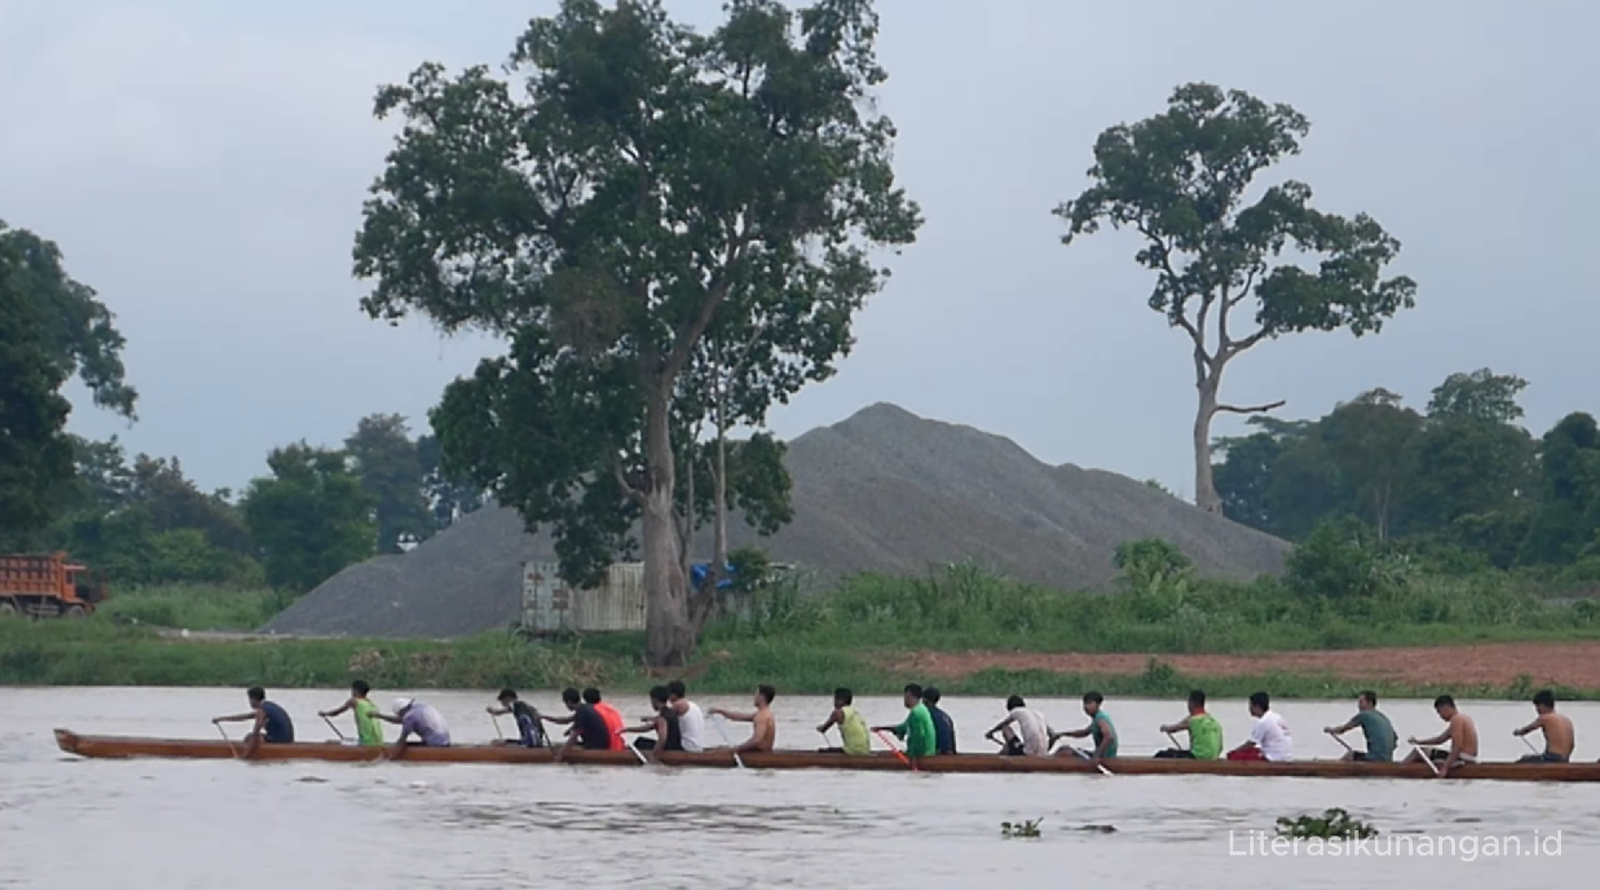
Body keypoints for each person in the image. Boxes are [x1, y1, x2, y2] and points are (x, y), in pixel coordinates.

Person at [1405, 695, 1478, 777]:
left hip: (1463, 759)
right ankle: (1413, 770)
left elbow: (1457, 747)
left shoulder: (1456, 720)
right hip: (1469, 758)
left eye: (1439, 712)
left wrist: (1445, 768)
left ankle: (1399, 770)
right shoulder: (1463, 718)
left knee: (1419, 751)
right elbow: (1440, 739)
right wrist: (1418, 742)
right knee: (1423, 751)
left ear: (1445, 707)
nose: (1440, 716)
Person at [213, 686, 294, 757]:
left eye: (250, 699)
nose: (249, 702)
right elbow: (245, 717)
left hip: (281, 740)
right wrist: (221, 719)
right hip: (287, 739)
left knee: (250, 738)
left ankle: (255, 755)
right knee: (252, 737)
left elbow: (257, 729)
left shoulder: (261, 711)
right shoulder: (266, 706)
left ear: (254, 699)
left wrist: (247, 753)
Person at [1324, 691, 1396, 762]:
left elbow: (1342, 729)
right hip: (1388, 760)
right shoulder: (1382, 717)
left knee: (1350, 755)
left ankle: (1334, 770)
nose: (1358, 706)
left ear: (1370, 703)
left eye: (1361, 702)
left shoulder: (1364, 715)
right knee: (1355, 755)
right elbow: (1395, 741)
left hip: (1375, 759)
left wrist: (1331, 730)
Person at [872, 683, 937, 759]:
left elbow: (918, 737)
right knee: (882, 754)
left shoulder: (916, 713)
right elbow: (902, 728)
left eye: (905, 696)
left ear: (909, 695)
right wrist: (881, 728)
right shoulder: (922, 709)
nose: (904, 700)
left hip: (922, 756)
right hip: (928, 753)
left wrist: (911, 756)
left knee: (880, 756)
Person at [1050, 691, 1118, 764]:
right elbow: (1084, 733)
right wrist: (1062, 734)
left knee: (1064, 752)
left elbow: (1108, 737)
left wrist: (1097, 756)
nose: (1086, 707)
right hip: (1101, 756)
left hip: (1105, 757)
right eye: (1085, 703)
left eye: (1089, 703)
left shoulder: (1100, 718)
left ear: (1098, 705)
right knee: (1064, 749)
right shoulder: (1097, 719)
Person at [709, 685, 777, 753]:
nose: (754, 697)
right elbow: (738, 716)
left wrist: (738, 748)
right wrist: (721, 711)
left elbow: (757, 740)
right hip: (760, 751)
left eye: (756, 695)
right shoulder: (762, 713)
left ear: (761, 697)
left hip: (760, 753)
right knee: (721, 748)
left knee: (719, 751)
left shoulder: (762, 716)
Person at [1226, 692, 1292, 762]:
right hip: (1286, 755)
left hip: (1273, 758)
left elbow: (1251, 743)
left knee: (1232, 756)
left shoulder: (1263, 722)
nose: (1249, 709)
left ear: (1256, 707)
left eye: (1250, 705)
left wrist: (1234, 752)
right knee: (1252, 750)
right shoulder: (1276, 716)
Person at [1157, 689, 1222, 759]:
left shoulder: (1192, 720)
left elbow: (1173, 729)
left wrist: (1165, 728)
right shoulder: (1213, 721)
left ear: (1191, 703)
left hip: (1198, 757)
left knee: (1161, 754)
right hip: (1214, 757)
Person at [552, 687, 613, 761]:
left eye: (565, 704)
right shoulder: (584, 708)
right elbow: (566, 720)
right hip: (600, 744)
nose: (566, 706)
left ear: (569, 702)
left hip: (596, 747)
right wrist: (545, 717)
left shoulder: (582, 712)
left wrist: (560, 755)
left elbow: (574, 736)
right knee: (559, 746)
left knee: (558, 747)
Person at [622, 685, 682, 761]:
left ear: (655, 700)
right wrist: (627, 729)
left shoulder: (662, 717)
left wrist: (654, 755)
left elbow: (662, 737)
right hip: (676, 747)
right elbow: (648, 728)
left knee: (640, 743)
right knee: (641, 741)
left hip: (669, 749)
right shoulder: (670, 712)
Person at [1513, 689, 1573, 763]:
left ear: (1542, 706)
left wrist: (1518, 732)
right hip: (1565, 759)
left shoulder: (1545, 717)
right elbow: (1572, 745)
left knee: (1523, 760)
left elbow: (1527, 729)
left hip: (1553, 758)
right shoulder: (1566, 719)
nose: (1536, 710)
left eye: (1537, 707)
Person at [319, 679, 383, 746]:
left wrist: (324, 713)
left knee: (329, 743)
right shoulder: (371, 704)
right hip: (379, 741)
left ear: (355, 691)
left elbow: (336, 712)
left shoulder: (354, 701)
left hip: (366, 742)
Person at [984, 695, 1052, 756]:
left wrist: (990, 732)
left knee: (1005, 728)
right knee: (1011, 747)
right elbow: (1053, 735)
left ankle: (1002, 756)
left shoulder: (1016, 711)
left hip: (1028, 754)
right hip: (1043, 754)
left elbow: (1003, 724)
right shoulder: (1037, 714)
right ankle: (1006, 751)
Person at [379, 697, 451, 754]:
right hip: (445, 741)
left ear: (402, 711)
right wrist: (380, 716)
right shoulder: (420, 707)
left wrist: (390, 759)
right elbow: (401, 720)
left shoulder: (410, 717)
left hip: (435, 744)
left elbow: (402, 740)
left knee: (404, 745)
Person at [817, 687, 872, 755]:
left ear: (840, 700)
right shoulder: (854, 712)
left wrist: (821, 728)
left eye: (835, 700)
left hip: (853, 751)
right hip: (865, 750)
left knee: (822, 752)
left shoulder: (839, 712)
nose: (834, 703)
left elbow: (825, 727)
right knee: (831, 750)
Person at [667, 681, 706, 753]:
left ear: (674, 695)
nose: (668, 698)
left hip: (687, 747)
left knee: (642, 742)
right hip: (699, 746)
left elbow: (663, 719)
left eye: (668, 695)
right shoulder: (693, 705)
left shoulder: (677, 705)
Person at [923, 687, 957, 755]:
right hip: (950, 753)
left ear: (925, 699)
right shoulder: (945, 716)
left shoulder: (926, 715)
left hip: (938, 754)